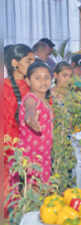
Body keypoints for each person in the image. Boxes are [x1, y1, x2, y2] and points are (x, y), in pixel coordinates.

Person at [3, 44, 34, 217]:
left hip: (30, 142)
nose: (33, 64)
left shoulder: (31, 84)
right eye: (29, 60)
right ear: (15, 63)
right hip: (11, 145)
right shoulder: (5, 88)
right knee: (12, 181)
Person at [18, 61, 53, 183]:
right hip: (32, 156)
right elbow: (30, 111)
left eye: (47, 77)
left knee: (43, 190)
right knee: (34, 192)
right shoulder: (31, 99)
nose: (43, 81)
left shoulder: (46, 101)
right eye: (37, 78)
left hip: (44, 155)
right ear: (28, 81)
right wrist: (31, 119)